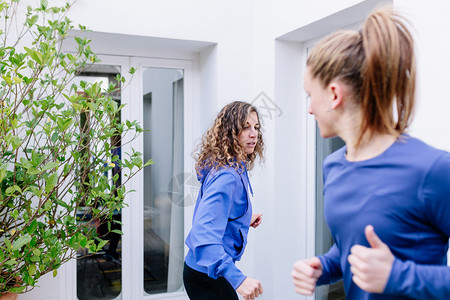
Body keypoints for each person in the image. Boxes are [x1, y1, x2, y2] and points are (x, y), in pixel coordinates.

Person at [291, 6, 450, 300]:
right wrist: (323, 267)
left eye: (310, 95)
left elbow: (390, 270)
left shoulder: (432, 169)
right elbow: (354, 244)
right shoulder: (334, 166)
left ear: (335, 95)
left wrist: (399, 276)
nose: (310, 108)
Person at [184, 101, 265, 300]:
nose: (253, 133)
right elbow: (204, 232)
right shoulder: (226, 176)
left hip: (206, 270)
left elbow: (218, 213)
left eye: (256, 127)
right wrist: (238, 279)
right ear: (230, 132)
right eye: (245, 127)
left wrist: (243, 218)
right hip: (207, 275)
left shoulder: (232, 165)